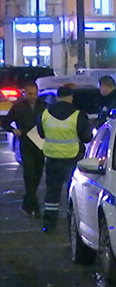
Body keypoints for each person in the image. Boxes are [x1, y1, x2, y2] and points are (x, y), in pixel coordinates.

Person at [37, 85, 93, 232]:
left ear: (57, 97)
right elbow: (87, 138)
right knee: (73, 192)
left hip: (52, 158)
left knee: (52, 193)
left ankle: (49, 225)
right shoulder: (78, 115)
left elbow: (41, 134)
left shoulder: (45, 114)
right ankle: (73, 223)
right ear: (71, 97)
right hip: (72, 158)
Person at [0, 81, 47, 218]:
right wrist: (14, 130)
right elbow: (5, 122)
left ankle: (27, 201)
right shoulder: (19, 107)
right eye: (30, 94)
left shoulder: (43, 106)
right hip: (26, 143)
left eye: (34, 94)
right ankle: (34, 206)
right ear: (25, 93)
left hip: (40, 144)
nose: (32, 96)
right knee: (29, 174)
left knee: (37, 174)